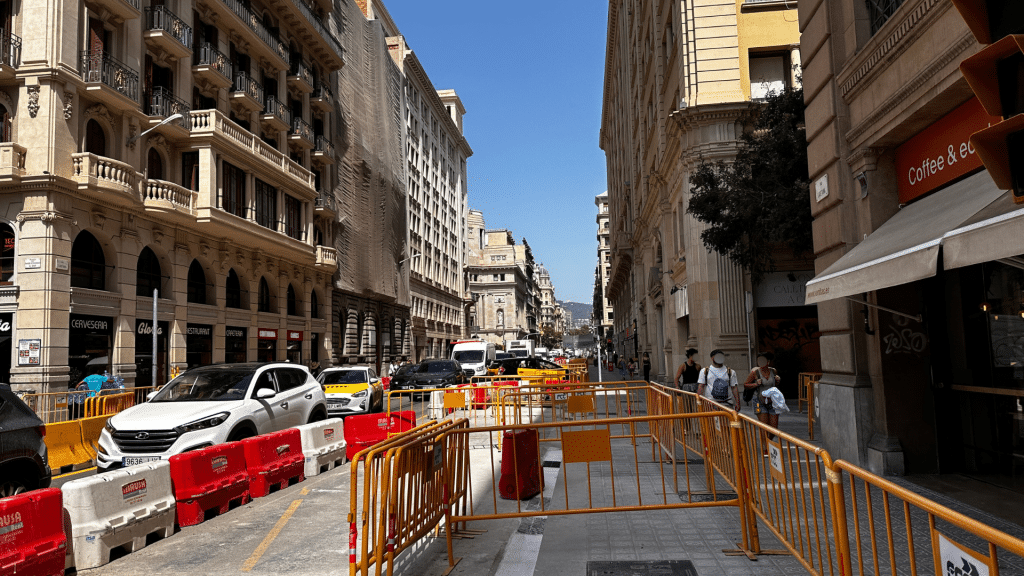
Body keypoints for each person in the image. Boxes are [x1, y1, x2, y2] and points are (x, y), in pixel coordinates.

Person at [744, 352, 782, 448]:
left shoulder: (773, 371)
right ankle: (766, 447)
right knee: (764, 426)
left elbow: (774, 385)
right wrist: (756, 384)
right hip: (759, 402)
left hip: (772, 402)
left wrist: (777, 381)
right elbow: (746, 384)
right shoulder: (755, 373)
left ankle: (768, 440)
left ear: (768, 362)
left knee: (773, 428)